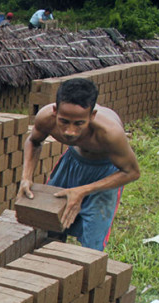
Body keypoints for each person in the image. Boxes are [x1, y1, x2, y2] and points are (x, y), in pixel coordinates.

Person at [17, 78, 141, 251]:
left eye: (79, 124)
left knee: (92, 240)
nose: (69, 131)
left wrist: (82, 191)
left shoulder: (110, 133)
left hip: (104, 172)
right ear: (55, 111)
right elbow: (33, 141)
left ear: (92, 116)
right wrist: (26, 177)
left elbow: (132, 172)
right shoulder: (46, 118)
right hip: (72, 163)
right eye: (64, 121)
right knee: (49, 222)